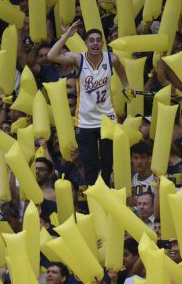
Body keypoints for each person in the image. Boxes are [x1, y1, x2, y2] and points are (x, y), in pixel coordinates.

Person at [46, 21, 130, 187]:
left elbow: (120, 68)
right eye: (91, 40)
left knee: (108, 164)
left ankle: (108, 197)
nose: (95, 43)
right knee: (90, 165)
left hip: (107, 119)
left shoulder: (111, 58)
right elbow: (51, 56)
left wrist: (126, 85)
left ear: (103, 43)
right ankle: (95, 201)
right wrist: (67, 35)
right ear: (86, 43)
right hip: (85, 121)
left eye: (99, 40)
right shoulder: (78, 59)